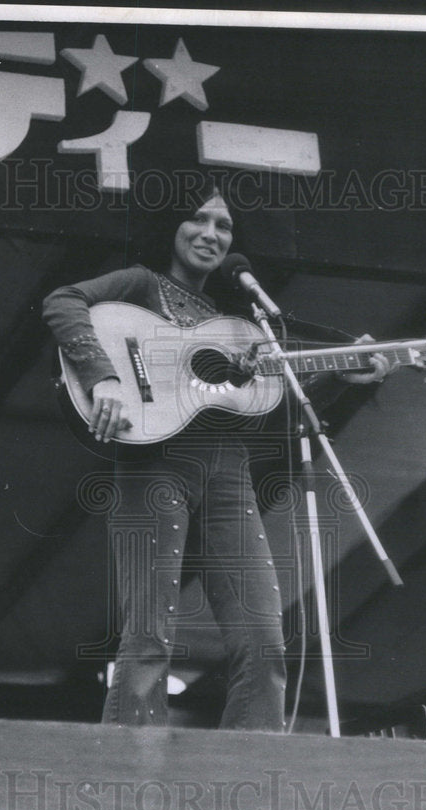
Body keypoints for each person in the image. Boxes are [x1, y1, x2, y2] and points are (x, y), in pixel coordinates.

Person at [43, 182, 391, 731]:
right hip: (154, 464)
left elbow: (278, 409)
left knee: (264, 642)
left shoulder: (239, 322)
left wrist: (344, 373)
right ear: (173, 226)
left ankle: (247, 785)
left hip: (229, 473)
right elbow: (64, 300)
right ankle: (128, 783)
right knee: (149, 636)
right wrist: (104, 377)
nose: (210, 233)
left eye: (223, 226)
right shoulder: (141, 283)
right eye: (198, 219)